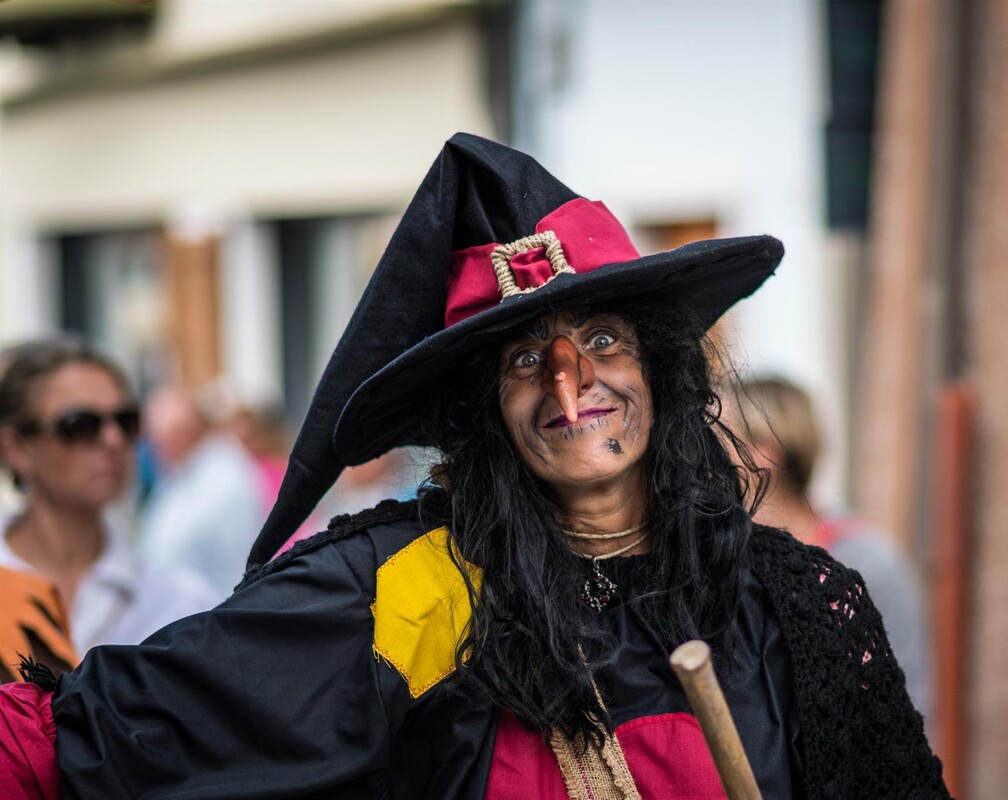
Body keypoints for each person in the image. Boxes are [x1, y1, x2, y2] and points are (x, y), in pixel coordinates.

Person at [0, 134, 947, 798]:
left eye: (602, 340)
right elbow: (88, 742)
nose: (570, 385)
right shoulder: (410, 586)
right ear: (486, 409)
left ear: (659, 369)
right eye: (526, 359)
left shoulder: (794, 600)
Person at [0, 339, 217, 679]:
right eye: (79, 424)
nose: (113, 439)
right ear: (16, 448)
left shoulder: (180, 603)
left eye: (126, 420)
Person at [732, 376, 932, 721]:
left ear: (763, 452)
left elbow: (911, 702)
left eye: (719, 440)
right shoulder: (716, 562)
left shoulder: (868, 565)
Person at [138, 383, 265, 596]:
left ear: (189, 430)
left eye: (163, 438)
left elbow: (238, 569)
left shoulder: (227, 480)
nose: (154, 448)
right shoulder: (178, 473)